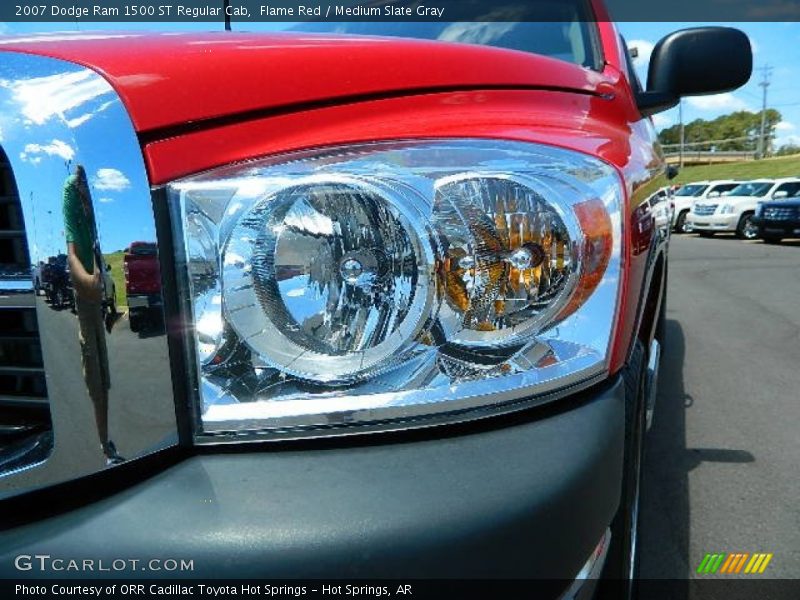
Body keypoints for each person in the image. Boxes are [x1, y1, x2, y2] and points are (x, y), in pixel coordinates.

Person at [63, 164, 124, 466]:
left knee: (105, 369)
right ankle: (100, 443)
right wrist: (86, 282)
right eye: (85, 189)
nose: (88, 195)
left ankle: (105, 433)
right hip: (85, 295)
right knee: (93, 366)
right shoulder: (69, 193)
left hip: (99, 291)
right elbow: (72, 251)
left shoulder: (94, 204)